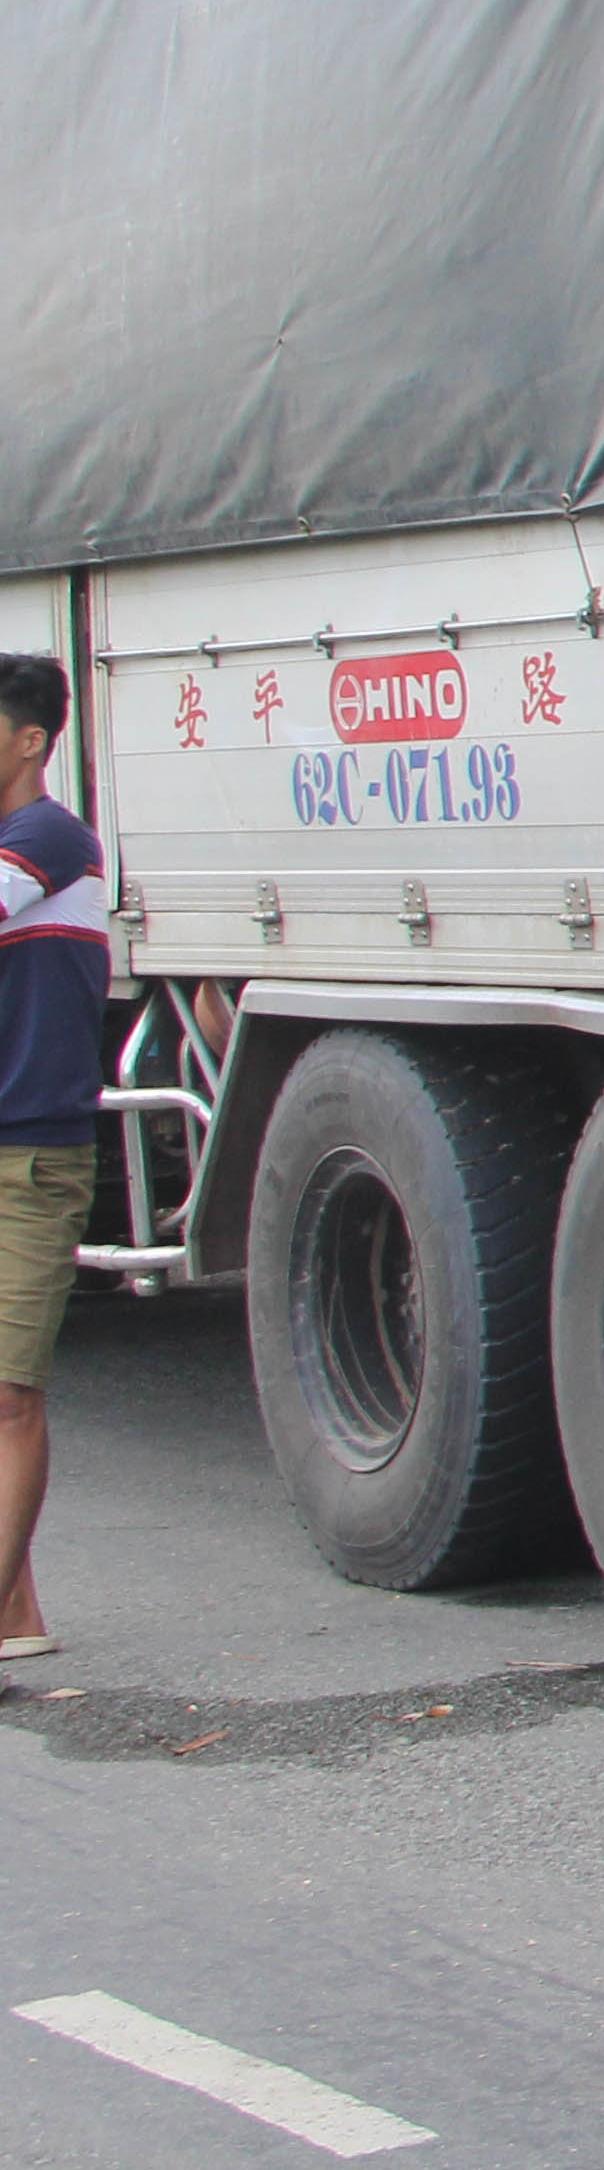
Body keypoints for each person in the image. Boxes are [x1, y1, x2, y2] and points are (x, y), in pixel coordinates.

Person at [0, 653, 109, 1664]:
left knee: (10, 1391)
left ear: (30, 739)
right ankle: (17, 1612)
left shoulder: (48, 836)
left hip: (30, 1154)